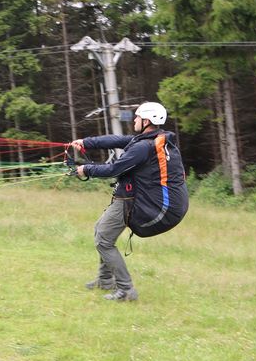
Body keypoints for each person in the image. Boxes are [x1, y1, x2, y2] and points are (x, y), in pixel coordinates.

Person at [70, 101, 188, 301]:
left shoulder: (143, 147)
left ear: (147, 121)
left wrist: (86, 169)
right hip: (133, 197)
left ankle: (126, 290)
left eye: (138, 117)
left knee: (103, 240)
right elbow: (117, 140)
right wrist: (87, 142)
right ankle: (105, 280)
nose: (134, 120)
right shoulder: (155, 140)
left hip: (133, 200)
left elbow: (114, 169)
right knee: (101, 231)